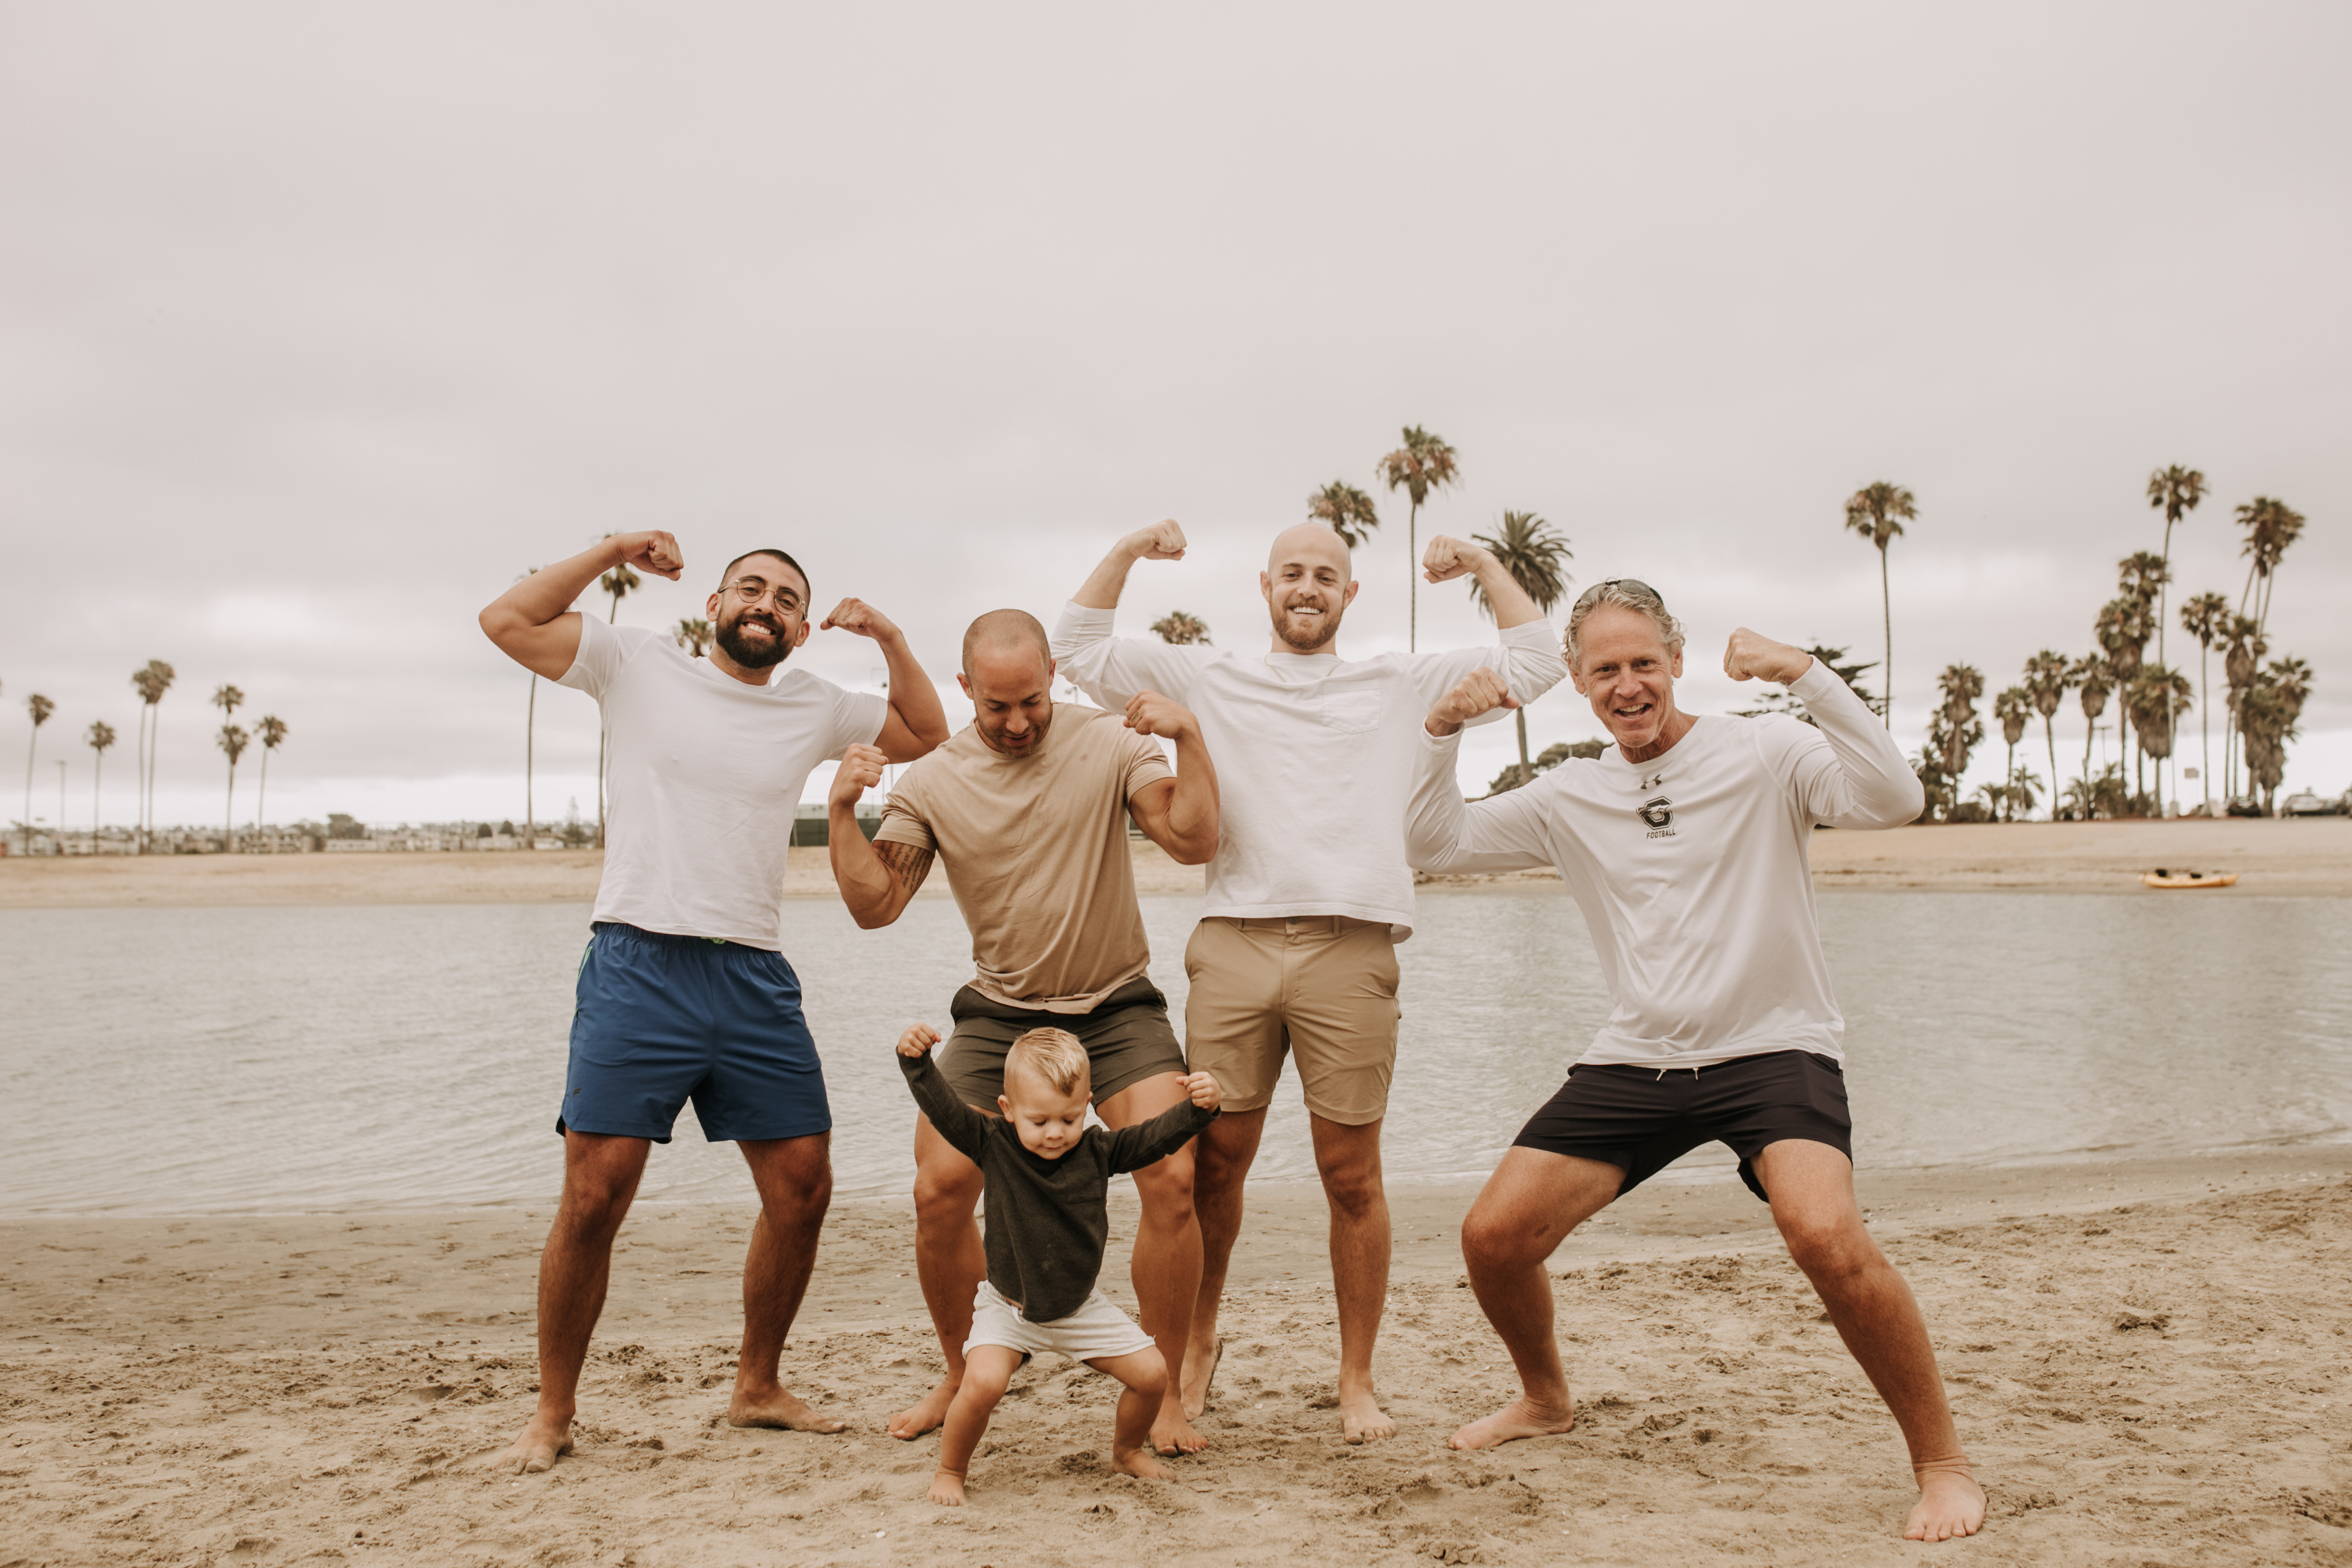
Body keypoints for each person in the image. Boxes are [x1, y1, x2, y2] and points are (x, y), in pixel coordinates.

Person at [1403, 578, 1984, 1542]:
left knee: (1826, 1238)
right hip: (1640, 1060)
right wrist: (1438, 730)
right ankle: (1546, 1401)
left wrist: (1804, 673)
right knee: (1494, 1238)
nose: (1627, 686)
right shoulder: (1572, 794)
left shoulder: (1766, 750)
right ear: (1581, 685)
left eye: (1642, 664)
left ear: (1675, 661)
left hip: (1773, 1047)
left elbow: (1895, 799)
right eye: (1604, 671)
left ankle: (1943, 1463)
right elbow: (1434, 840)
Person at [1050, 519, 1568, 1442]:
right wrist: (1130, 550)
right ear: (1266, 586)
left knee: (1352, 1179)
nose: (1308, 587)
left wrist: (1484, 562)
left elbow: (1537, 661)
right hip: (1236, 943)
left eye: (1326, 576)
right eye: (1292, 572)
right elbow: (1076, 649)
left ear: (1349, 596)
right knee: (1215, 1165)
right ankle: (1198, 1346)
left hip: (1352, 948)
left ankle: (1356, 1376)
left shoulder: (1401, 682)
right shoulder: (1207, 676)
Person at [475, 532, 949, 1474]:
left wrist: (890, 635)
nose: (763, 604)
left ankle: (757, 1386)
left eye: (784, 598)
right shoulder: (635, 660)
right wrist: (612, 546)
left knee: (803, 1188)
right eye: (749, 588)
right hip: (636, 961)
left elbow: (926, 732)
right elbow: (506, 619)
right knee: (593, 1195)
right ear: (714, 607)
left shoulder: (815, 707)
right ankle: (553, 1413)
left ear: (803, 628)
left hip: (751, 972)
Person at [828, 608, 1222, 1454]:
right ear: (967, 689)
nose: (1016, 723)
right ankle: (960, 1368)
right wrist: (839, 811)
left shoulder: (1113, 743)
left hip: (1116, 1005)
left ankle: (1166, 1385)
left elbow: (1192, 842)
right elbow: (875, 906)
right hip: (1001, 1014)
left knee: (1173, 1178)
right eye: (996, 706)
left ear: (1056, 676)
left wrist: (1190, 739)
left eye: (1032, 702)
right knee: (937, 1190)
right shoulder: (931, 778)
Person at [893, 1021, 1222, 1505]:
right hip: (1009, 1309)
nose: (1055, 1134)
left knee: (1153, 1375)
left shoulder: (1099, 1151)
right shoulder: (991, 1143)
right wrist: (916, 1063)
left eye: (1068, 1120)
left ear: (1087, 1108)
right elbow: (943, 1107)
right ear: (1008, 1111)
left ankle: (1126, 1451)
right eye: (1040, 1121)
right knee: (981, 1383)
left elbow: (1156, 1138)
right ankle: (950, 1469)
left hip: (1080, 1309)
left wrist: (1199, 1111)